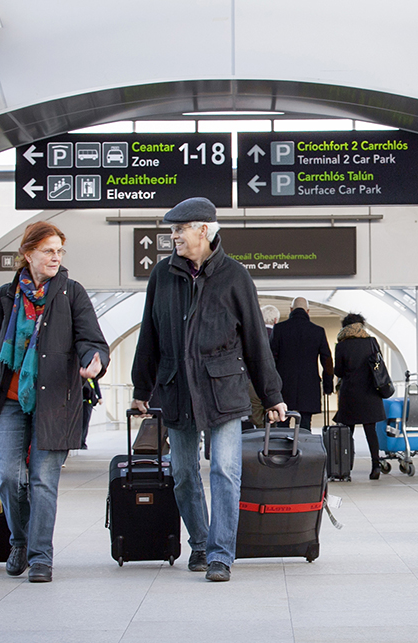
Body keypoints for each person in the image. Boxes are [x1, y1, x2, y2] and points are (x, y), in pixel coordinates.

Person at [130, 197, 286, 583]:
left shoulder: (235, 276)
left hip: (224, 390)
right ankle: (200, 542)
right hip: (176, 387)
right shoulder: (162, 276)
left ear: (204, 229)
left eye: (179, 230)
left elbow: (254, 340)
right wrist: (140, 387)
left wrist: (272, 396)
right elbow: (148, 335)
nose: (173, 237)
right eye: (172, 231)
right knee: (183, 473)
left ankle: (220, 555)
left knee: (224, 470)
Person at [0, 221, 108, 583]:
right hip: (11, 401)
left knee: (43, 481)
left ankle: (40, 558)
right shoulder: (4, 297)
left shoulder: (71, 293)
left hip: (56, 401)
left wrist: (94, 360)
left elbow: (92, 340)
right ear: (27, 253)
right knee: (9, 478)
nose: (55, 257)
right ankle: (19, 539)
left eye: (59, 252)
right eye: (48, 250)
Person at [333, 313, 386, 480]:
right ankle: (376, 465)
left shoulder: (341, 345)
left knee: (348, 432)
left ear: (345, 327)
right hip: (370, 393)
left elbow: (339, 371)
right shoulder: (371, 342)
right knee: (371, 431)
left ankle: (345, 467)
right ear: (361, 325)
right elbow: (379, 364)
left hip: (351, 394)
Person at [270, 297, 334, 430]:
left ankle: (283, 450)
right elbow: (327, 360)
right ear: (308, 311)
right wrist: (328, 385)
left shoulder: (279, 329)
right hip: (309, 385)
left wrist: (271, 385)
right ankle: (304, 449)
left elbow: (271, 359)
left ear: (291, 310)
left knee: (282, 421)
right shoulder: (318, 331)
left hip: (284, 385)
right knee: (305, 425)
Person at [246, 304, 281, 430]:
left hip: (252, 381)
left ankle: (259, 442)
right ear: (276, 320)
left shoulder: (251, 336)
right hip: (274, 381)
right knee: (274, 414)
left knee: (256, 417)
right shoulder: (278, 335)